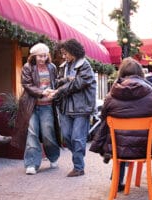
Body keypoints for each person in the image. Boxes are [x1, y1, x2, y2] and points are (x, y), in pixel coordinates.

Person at [100, 57, 152, 190]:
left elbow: (103, 118)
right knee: (125, 139)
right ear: (141, 74)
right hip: (147, 147)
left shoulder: (111, 95)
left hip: (119, 148)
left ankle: (117, 181)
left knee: (121, 138)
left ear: (121, 73)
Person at [49, 39, 97, 177]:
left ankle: (78, 167)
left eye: (66, 53)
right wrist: (63, 81)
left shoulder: (85, 65)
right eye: (62, 53)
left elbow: (78, 83)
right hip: (65, 107)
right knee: (67, 137)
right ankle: (78, 156)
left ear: (74, 51)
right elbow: (62, 81)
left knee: (77, 138)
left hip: (81, 108)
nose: (64, 56)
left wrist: (60, 89)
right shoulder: (64, 66)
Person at [15, 43, 61, 175]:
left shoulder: (52, 67)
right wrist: (42, 92)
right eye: (40, 56)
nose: (43, 58)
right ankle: (31, 164)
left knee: (48, 133)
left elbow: (55, 82)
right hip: (31, 106)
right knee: (32, 133)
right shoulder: (27, 67)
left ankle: (53, 157)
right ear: (34, 55)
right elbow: (27, 84)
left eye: (45, 55)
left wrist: (56, 90)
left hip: (47, 105)